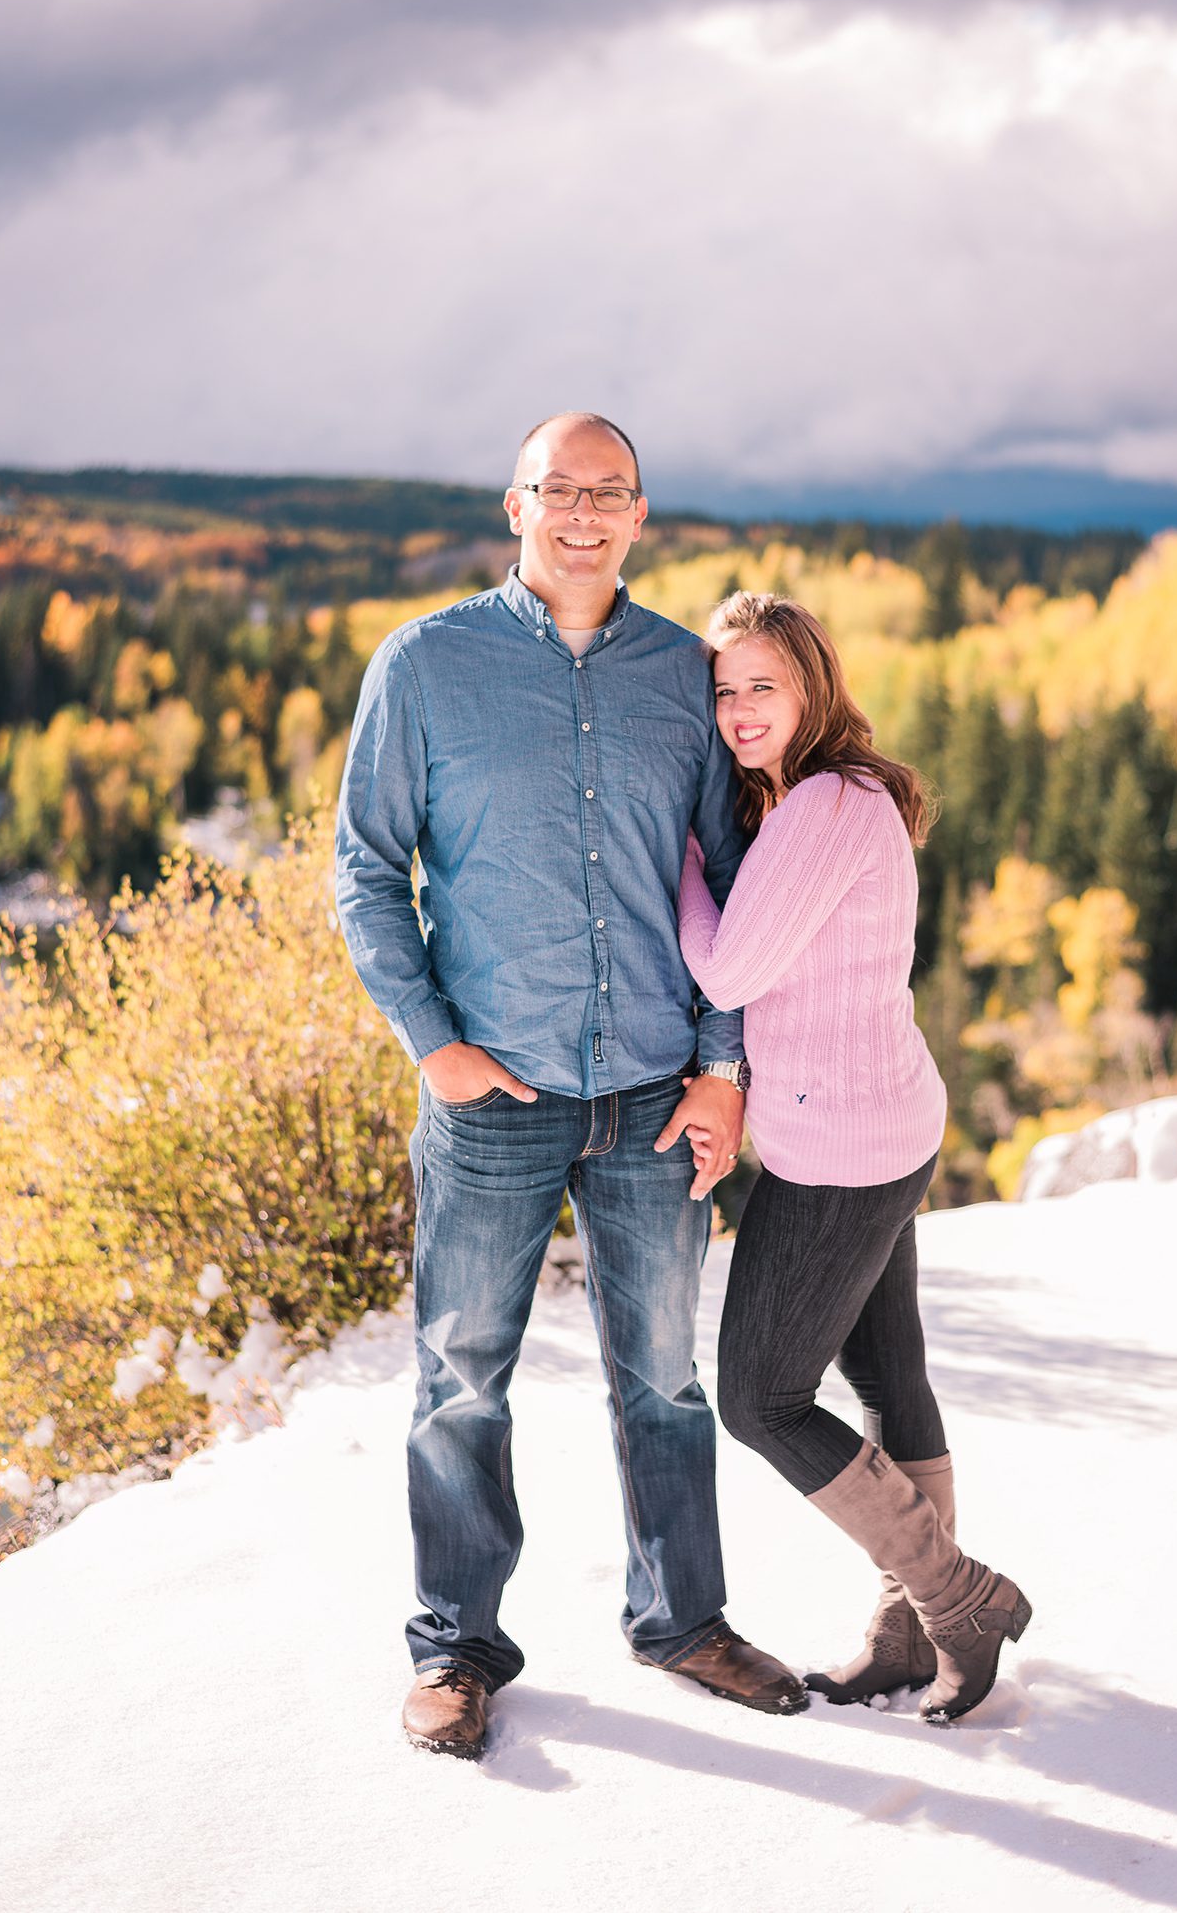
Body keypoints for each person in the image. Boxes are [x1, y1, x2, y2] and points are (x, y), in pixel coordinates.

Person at [335, 414, 805, 1760]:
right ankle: (455, 1647)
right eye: (560, 489)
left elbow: (733, 884)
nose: (582, 513)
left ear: (641, 513)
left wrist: (723, 1069)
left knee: (664, 1377)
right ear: (516, 503)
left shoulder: (685, 675)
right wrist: (432, 1040)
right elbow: (367, 868)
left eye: (609, 492)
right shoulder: (425, 665)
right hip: (493, 1092)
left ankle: (683, 1619)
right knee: (459, 1375)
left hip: (656, 1092)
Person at [677, 592, 1031, 1725]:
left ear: (813, 686)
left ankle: (955, 1599)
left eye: (761, 686)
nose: (738, 710)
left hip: (839, 1153)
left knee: (760, 1395)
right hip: (878, 1126)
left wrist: (679, 853)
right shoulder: (831, 794)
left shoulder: (826, 802)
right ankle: (909, 1632)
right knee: (885, 1378)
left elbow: (727, 973)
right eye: (723, 690)